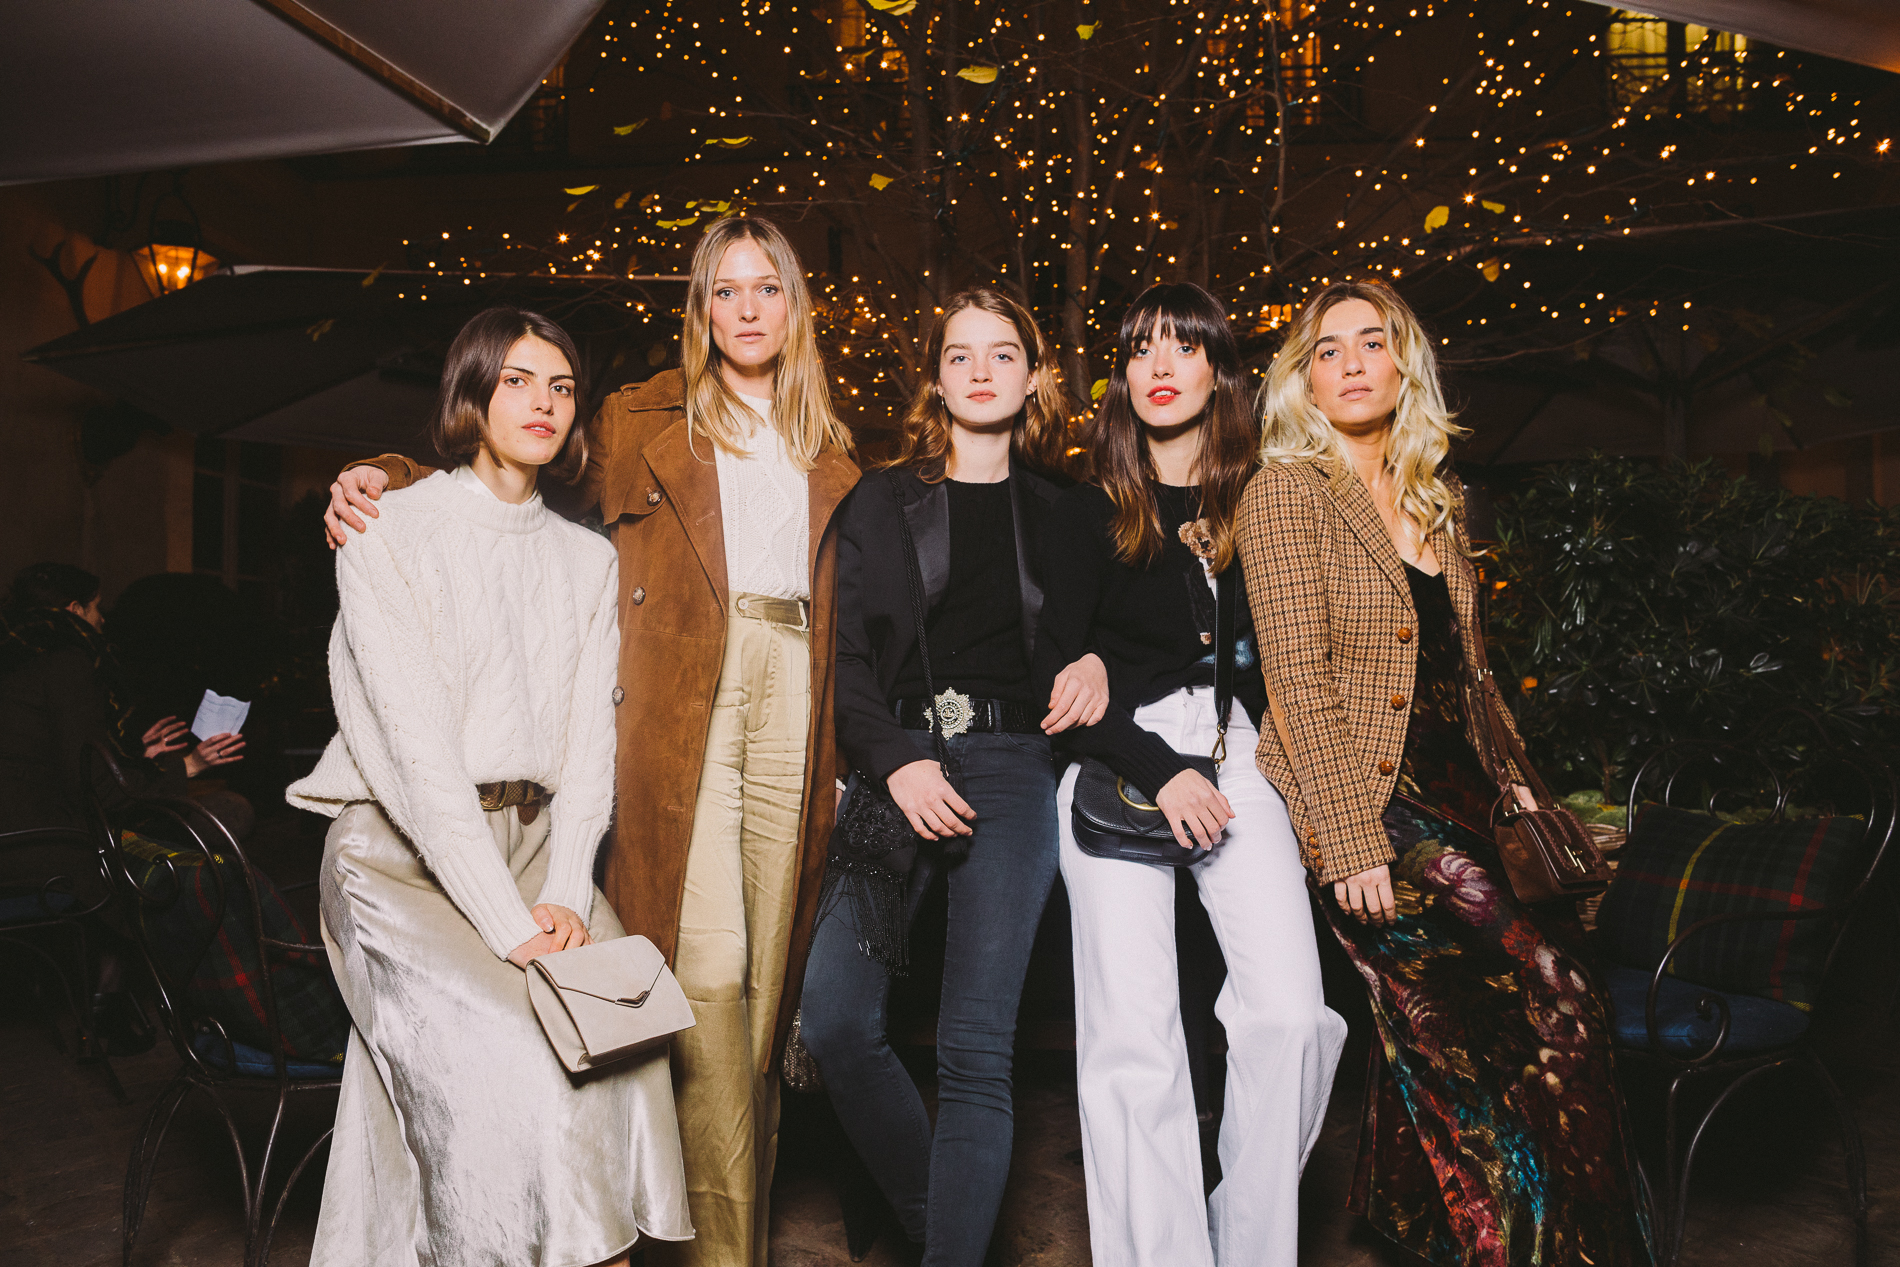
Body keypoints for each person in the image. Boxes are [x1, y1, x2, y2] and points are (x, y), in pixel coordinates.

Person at [323, 216, 860, 1267]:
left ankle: (728, 1247)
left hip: (797, 704)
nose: (747, 308)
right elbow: (511, 470)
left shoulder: (836, 450)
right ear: (699, 309)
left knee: (760, 1006)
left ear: (797, 307)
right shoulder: (639, 416)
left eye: (767, 287)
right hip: (682, 704)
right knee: (699, 983)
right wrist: (378, 473)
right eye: (723, 289)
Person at [1242, 281, 1649, 1264]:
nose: (1349, 362)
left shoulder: (1437, 494)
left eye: (1371, 342)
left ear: (1403, 365)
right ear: (1303, 378)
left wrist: (1520, 784)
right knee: (1554, 995)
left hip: (1468, 791)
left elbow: (1467, 674)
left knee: (1454, 1031)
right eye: (1326, 349)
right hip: (1377, 805)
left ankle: (1419, 1232)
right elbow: (1295, 680)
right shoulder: (1285, 493)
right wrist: (1349, 842)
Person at [288, 307, 690, 1267]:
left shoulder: (589, 559)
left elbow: (590, 746)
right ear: (471, 392)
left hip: (537, 850)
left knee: (626, 1044)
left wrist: (565, 893)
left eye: (561, 386)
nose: (544, 402)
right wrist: (510, 925)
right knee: (529, 1059)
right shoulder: (388, 527)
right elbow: (416, 759)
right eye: (517, 380)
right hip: (398, 856)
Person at [1035, 283, 1347, 1267]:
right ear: (1121, 378)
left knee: (1291, 1017)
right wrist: (1152, 759)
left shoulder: (1269, 496)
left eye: (1184, 345)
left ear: (1220, 369)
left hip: (1239, 747)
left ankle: (1247, 1246)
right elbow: (1051, 672)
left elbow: (1296, 649)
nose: (1161, 364)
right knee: (1132, 1039)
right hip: (1116, 754)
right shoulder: (1084, 510)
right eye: (1141, 348)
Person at [799, 288, 1107, 1265]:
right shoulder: (877, 499)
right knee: (834, 1019)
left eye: (1003, 353)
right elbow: (842, 660)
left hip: (1015, 771)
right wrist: (896, 762)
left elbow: (1121, 630)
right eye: (960, 354)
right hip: (897, 764)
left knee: (977, 1051)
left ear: (1034, 376)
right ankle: (953, 1239)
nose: (981, 370)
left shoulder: (1071, 511)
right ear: (935, 379)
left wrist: (1100, 660)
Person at [0, 562, 245, 834]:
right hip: (40, 837)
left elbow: (51, 752)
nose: (102, 619)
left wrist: (133, 756)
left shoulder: (19, 652)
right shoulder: (65, 662)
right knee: (226, 820)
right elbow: (96, 789)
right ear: (75, 610)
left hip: (21, 825)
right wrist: (190, 765)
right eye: (96, 607)